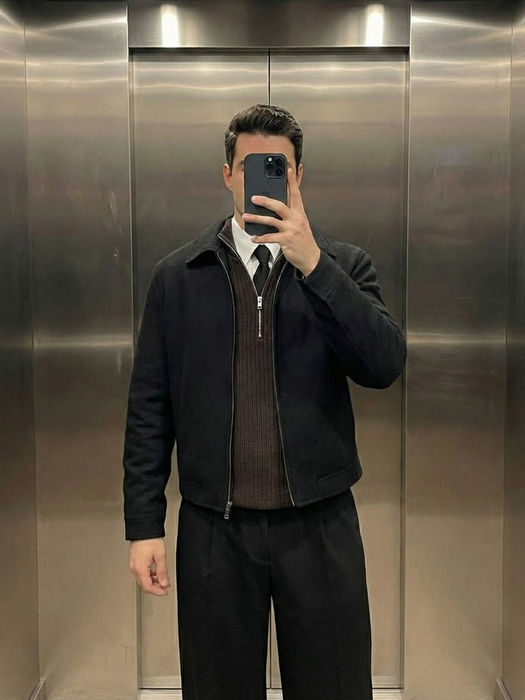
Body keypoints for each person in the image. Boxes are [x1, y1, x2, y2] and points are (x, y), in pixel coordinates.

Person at [122, 103, 407, 700]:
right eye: (251, 166)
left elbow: (383, 365)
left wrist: (314, 264)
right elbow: (149, 406)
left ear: (297, 176)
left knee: (334, 686)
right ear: (227, 173)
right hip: (214, 528)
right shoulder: (179, 276)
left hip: (320, 524)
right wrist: (144, 525)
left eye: (277, 168)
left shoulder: (343, 266)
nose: (262, 181)